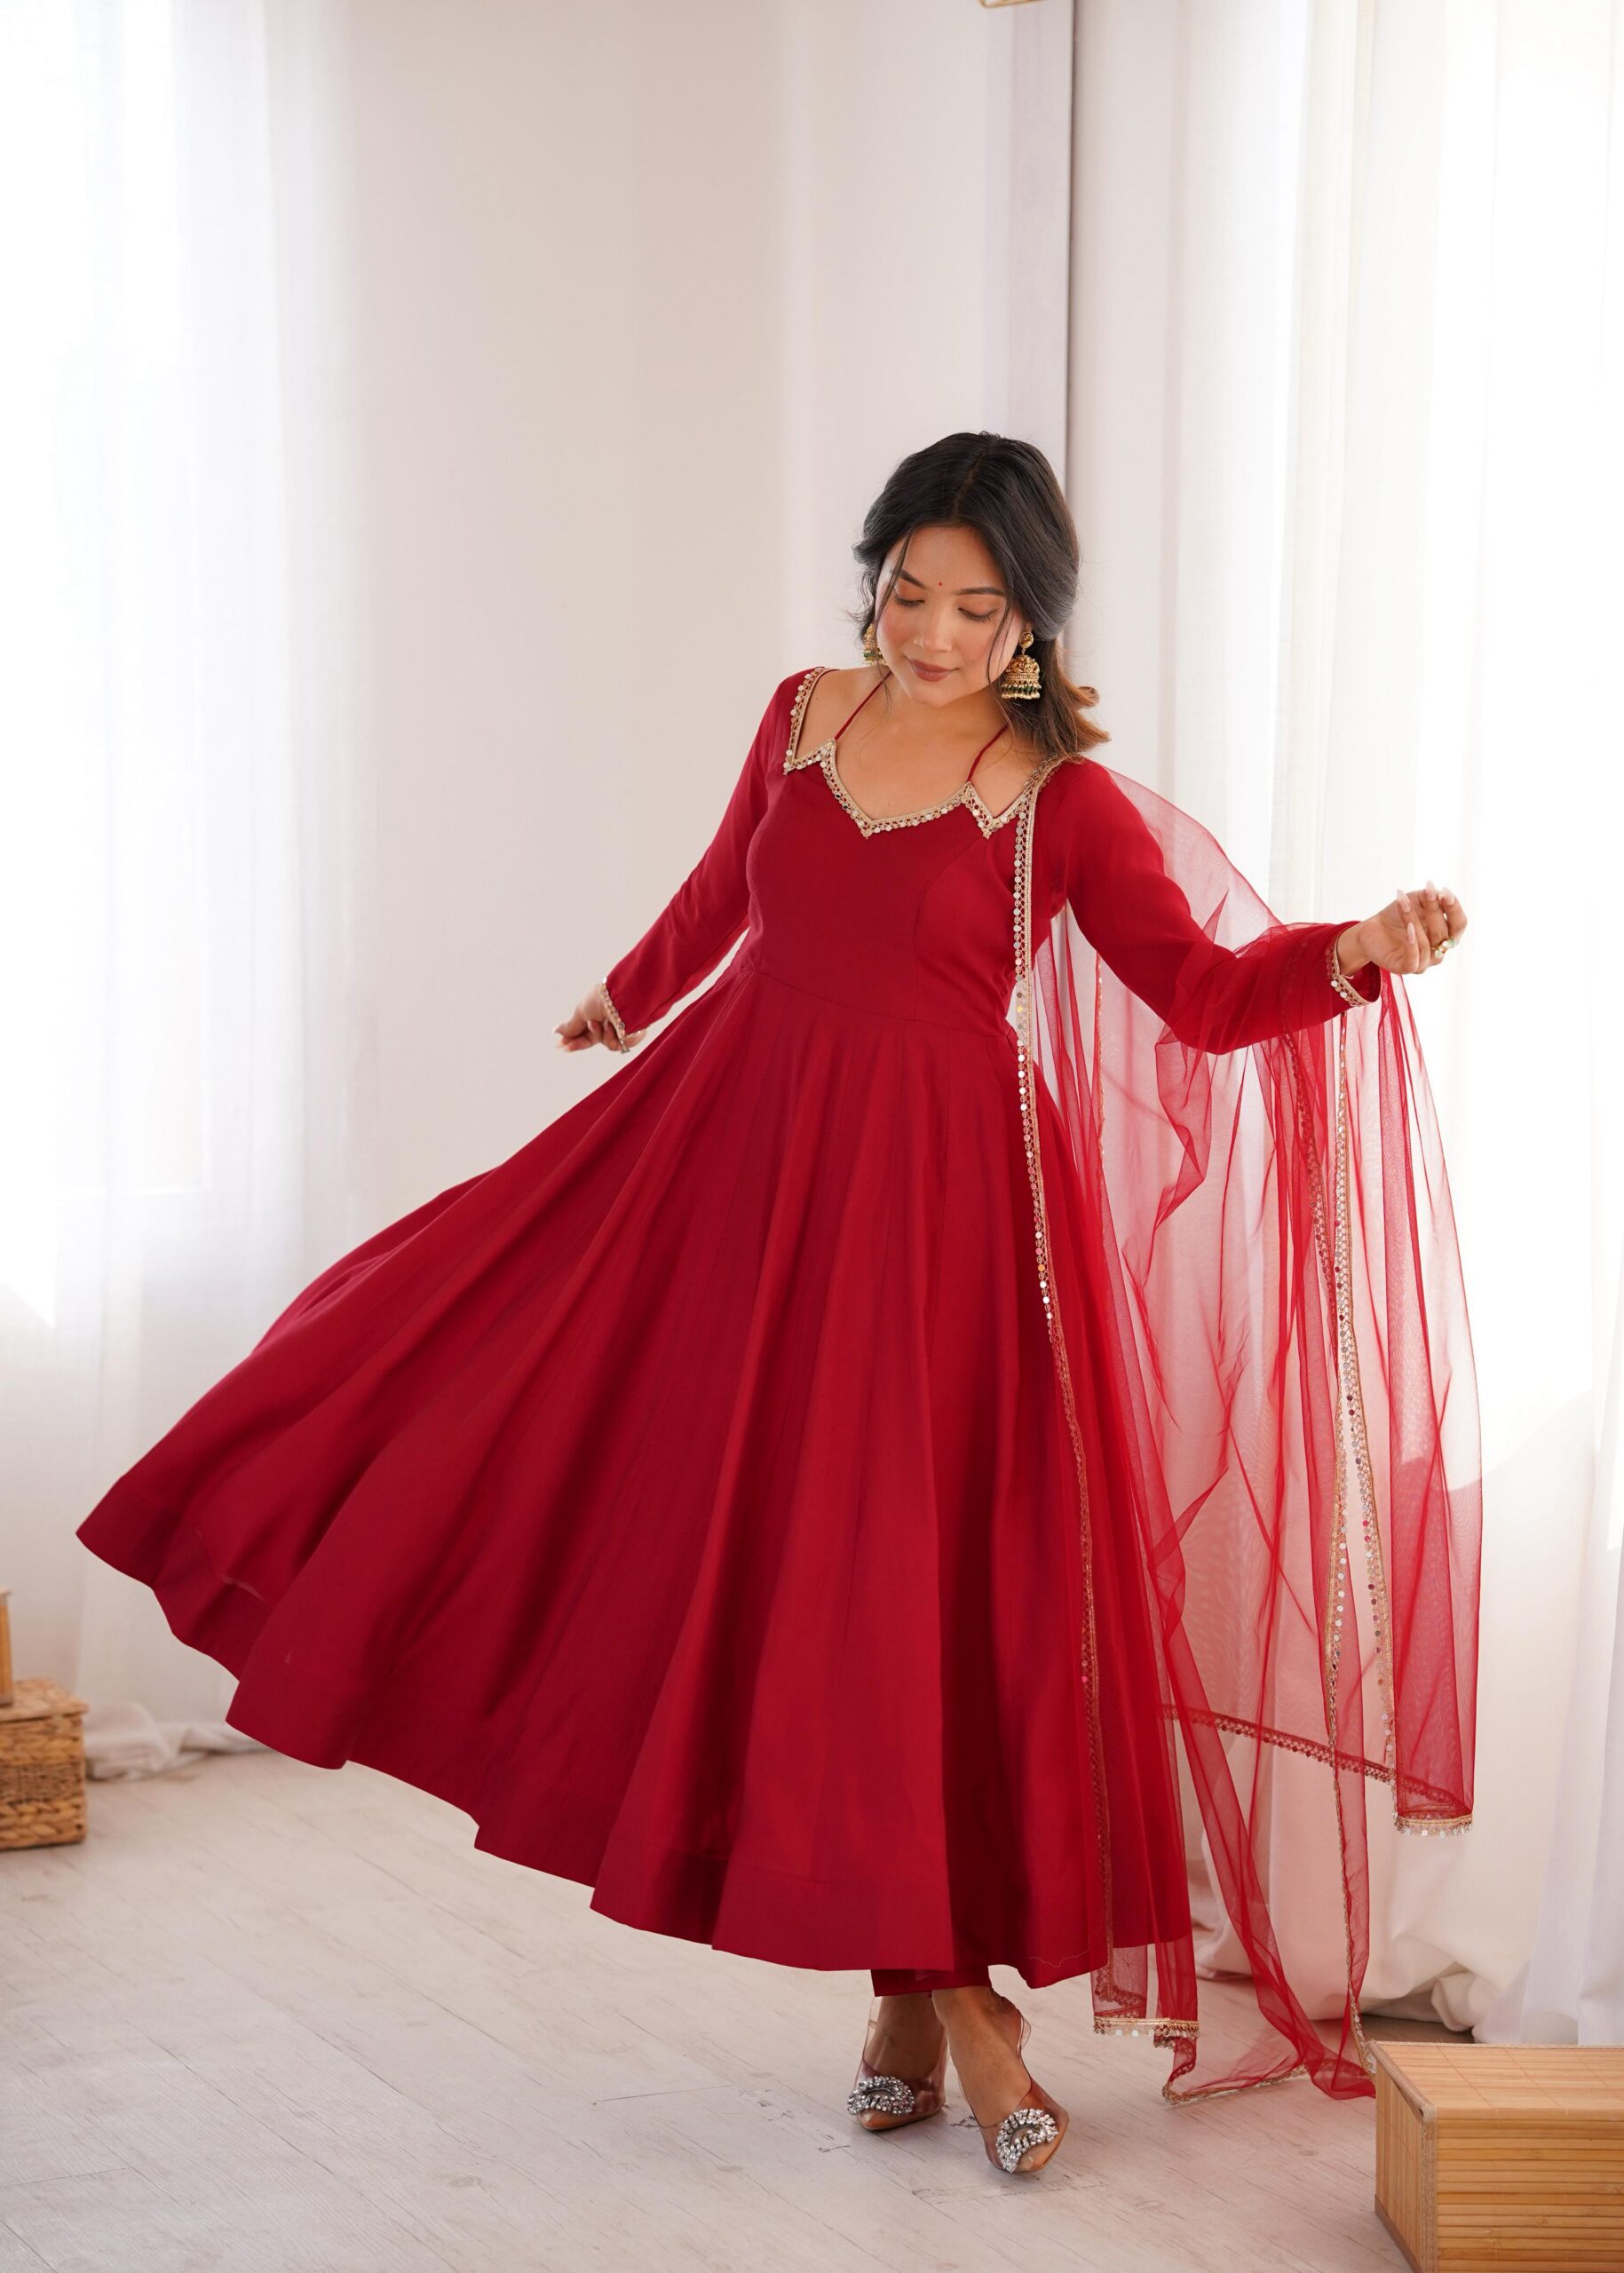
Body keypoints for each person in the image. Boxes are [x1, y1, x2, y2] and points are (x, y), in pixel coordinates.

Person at [78, 432, 1478, 2179]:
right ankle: (926, 2002)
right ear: (871, 581)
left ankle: (940, 2000)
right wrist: (627, 991)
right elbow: (727, 889)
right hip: (740, 1160)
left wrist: (1351, 952)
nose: (933, 633)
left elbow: (1194, 990)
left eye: (975, 607)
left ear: (1031, 621)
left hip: (944, 1225)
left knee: (900, 1589)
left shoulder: (1059, 799)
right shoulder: (804, 714)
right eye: (907, 592)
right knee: (550, 1413)